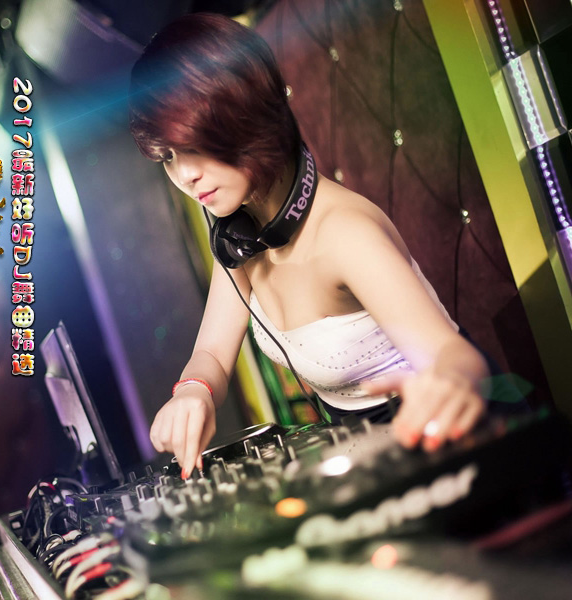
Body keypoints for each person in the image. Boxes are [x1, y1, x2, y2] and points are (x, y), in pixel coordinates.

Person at [129, 12, 490, 478]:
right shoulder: (241, 235)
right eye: (168, 156)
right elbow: (213, 353)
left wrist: (453, 382)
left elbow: (453, 356)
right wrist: (194, 390)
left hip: (451, 440)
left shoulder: (346, 233)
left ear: (244, 115)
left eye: (194, 145)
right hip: (367, 457)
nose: (185, 174)